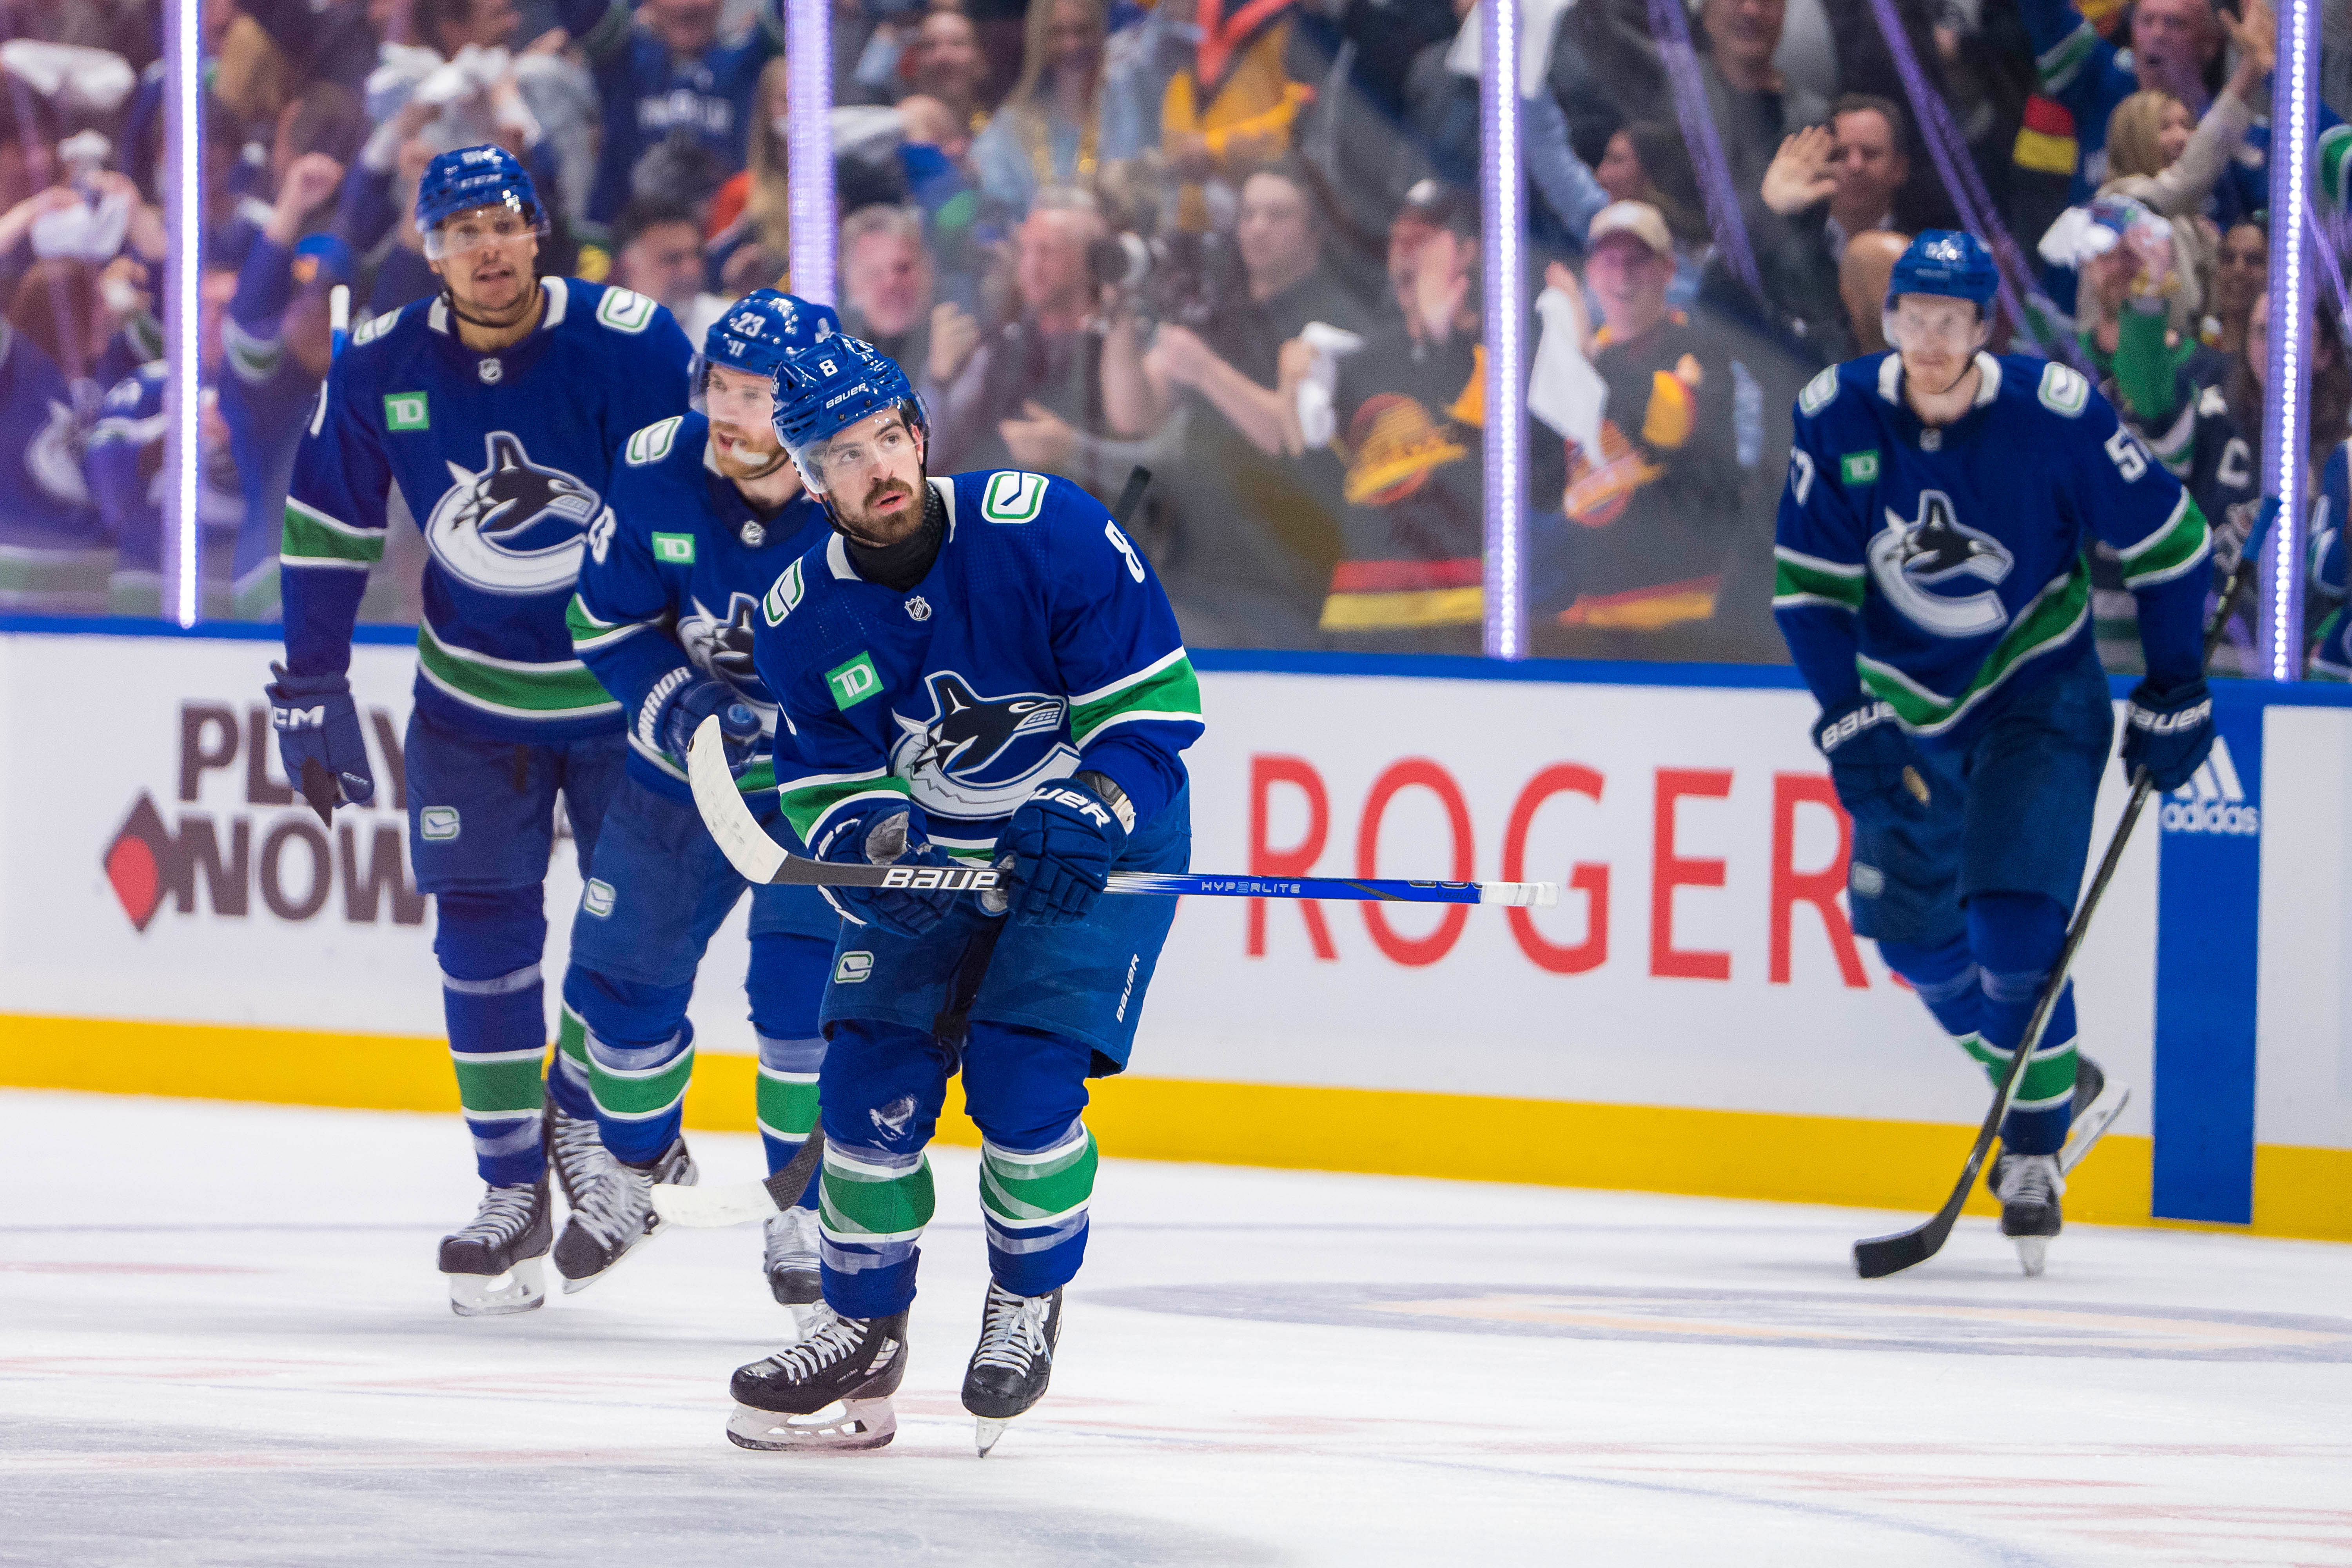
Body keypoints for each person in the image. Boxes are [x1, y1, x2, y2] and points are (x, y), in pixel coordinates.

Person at [725, 335, 1202, 1456]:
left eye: (890, 437)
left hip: (1093, 844)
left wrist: (1090, 806)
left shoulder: (1049, 528)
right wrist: (876, 842)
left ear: (919, 434)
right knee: (865, 1086)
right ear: (806, 474)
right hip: (937, 856)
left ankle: (1026, 1301)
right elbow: (824, 779)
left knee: (1023, 1077)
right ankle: (862, 1324)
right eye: (843, 455)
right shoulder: (800, 613)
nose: (878, 467)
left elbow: (1154, 711)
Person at [267, 145, 695, 1317]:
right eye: (459, 232)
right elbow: (326, 521)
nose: (486, 249)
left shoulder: (631, 339)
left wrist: (728, 658)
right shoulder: (377, 362)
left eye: (503, 224)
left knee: (633, 945)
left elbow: (700, 504)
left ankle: (586, 1115)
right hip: (470, 702)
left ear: (538, 230)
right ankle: (510, 1184)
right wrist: (309, 682)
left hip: (627, 702)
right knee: (480, 939)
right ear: (430, 249)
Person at [1773, 230, 2215, 1274]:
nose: (1929, 339)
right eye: (1912, 316)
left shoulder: (2053, 415)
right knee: (1919, 950)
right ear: (1890, 319)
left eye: (1951, 320)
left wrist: (2176, 682)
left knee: (2014, 931)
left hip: (2035, 694)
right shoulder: (1835, 414)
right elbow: (1807, 594)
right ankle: (2058, 1079)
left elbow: (2173, 544)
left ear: (1985, 329)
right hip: (1902, 711)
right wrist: (1846, 717)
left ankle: (2032, 1147)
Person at [559, 289, 844, 1302]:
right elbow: (602, 621)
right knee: (615, 997)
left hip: (821, 797)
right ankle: (641, 1173)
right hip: (680, 783)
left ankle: (807, 1215)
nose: (731, 410)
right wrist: (671, 699)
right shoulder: (654, 468)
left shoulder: (862, 488)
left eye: (758, 393)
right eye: (722, 385)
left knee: (802, 1010)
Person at [1554, 201, 1744, 642]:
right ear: (1591, 274)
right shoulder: (1575, 362)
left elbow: (1671, 426)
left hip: (1681, 615)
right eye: (1609, 261)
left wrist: (1590, 358)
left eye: (1637, 261)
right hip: (1590, 615)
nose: (1622, 277)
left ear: (1668, 270)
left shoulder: (1701, 353)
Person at [609, 195, 727, 338]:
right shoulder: (596, 330)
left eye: (697, 255)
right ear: (629, 264)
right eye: (673, 259)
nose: (692, 270)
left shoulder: (727, 327)